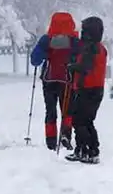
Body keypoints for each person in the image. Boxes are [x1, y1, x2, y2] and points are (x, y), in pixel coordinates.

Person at [30, 12, 79, 151]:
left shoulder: (46, 40)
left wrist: (46, 54)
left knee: (50, 111)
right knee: (67, 111)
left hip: (49, 80)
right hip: (67, 80)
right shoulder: (74, 41)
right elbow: (80, 56)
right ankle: (66, 135)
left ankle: (51, 140)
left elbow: (34, 60)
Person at [64, 17, 108, 164]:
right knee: (86, 121)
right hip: (96, 89)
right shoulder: (100, 48)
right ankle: (87, 150)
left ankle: (88, 150)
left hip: (87, 89)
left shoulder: (91, 48)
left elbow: (86, 67)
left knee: (80, 121)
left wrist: (72, 67)